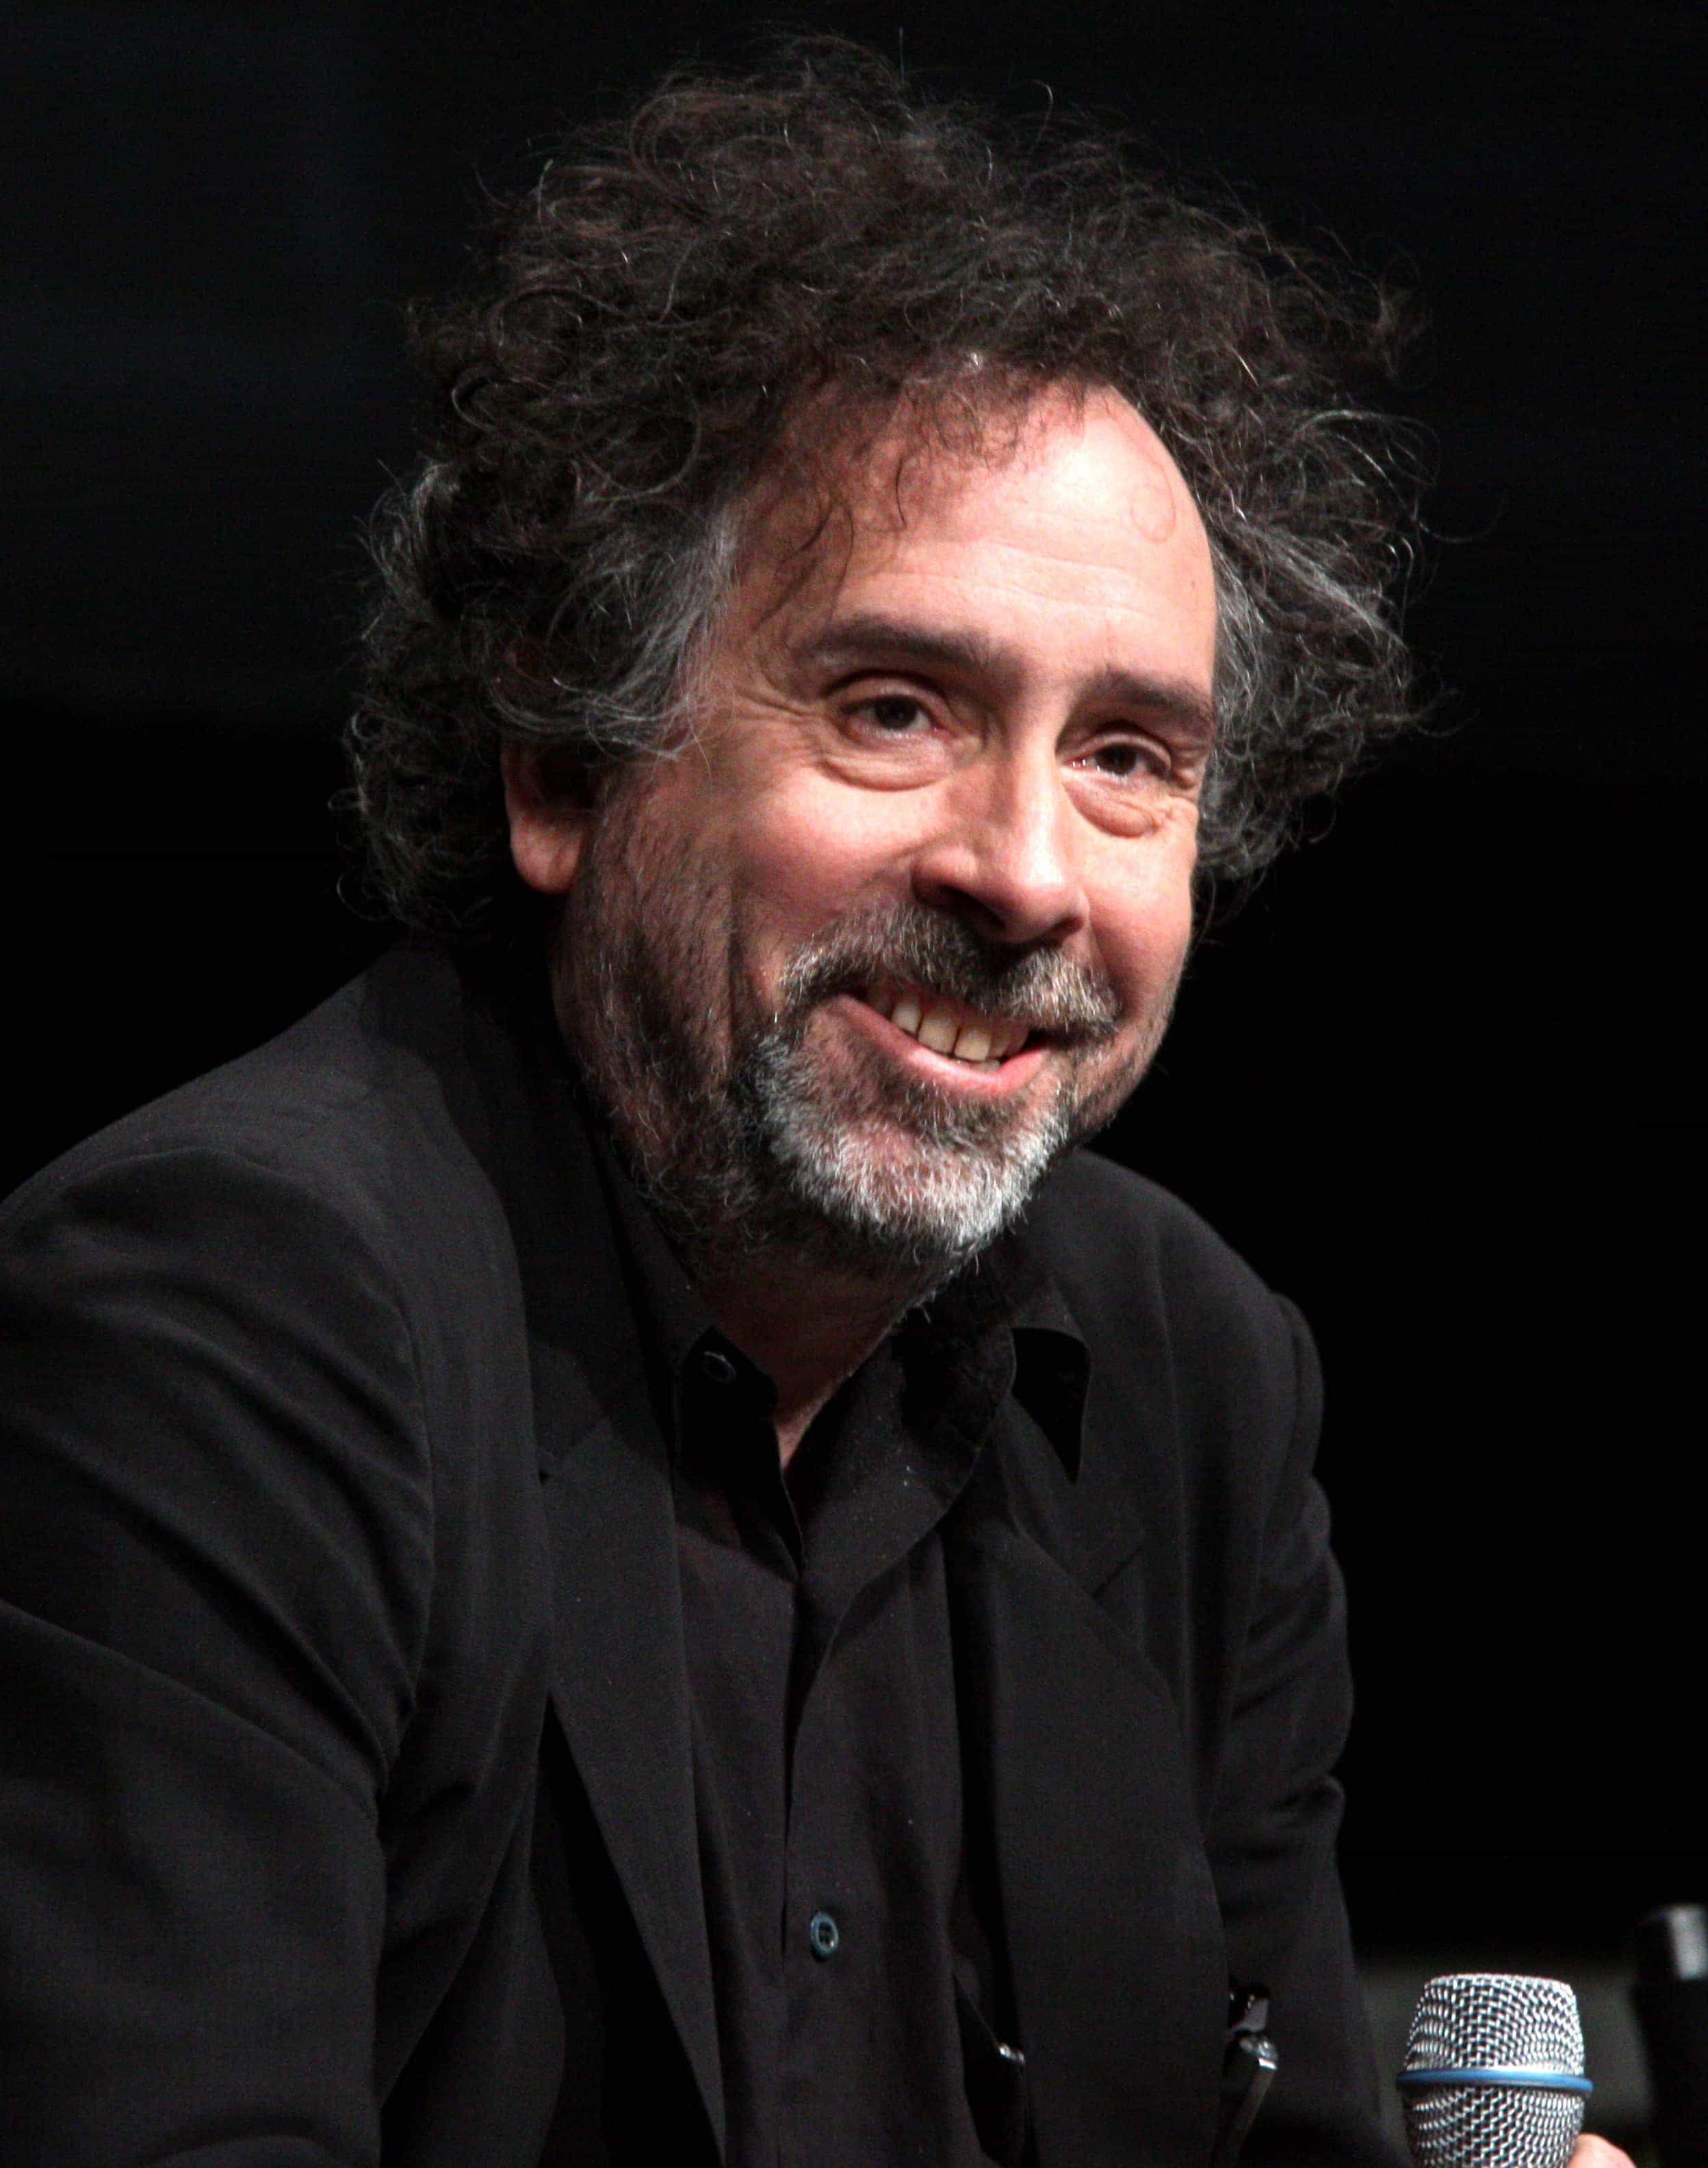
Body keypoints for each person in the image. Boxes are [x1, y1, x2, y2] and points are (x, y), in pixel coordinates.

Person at [0, 39, 1635, 2168]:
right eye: (895, 709)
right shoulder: (226, 1320)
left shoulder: (1190, 1380)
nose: (1025, 873)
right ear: (565, 767)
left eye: (1127, 758)